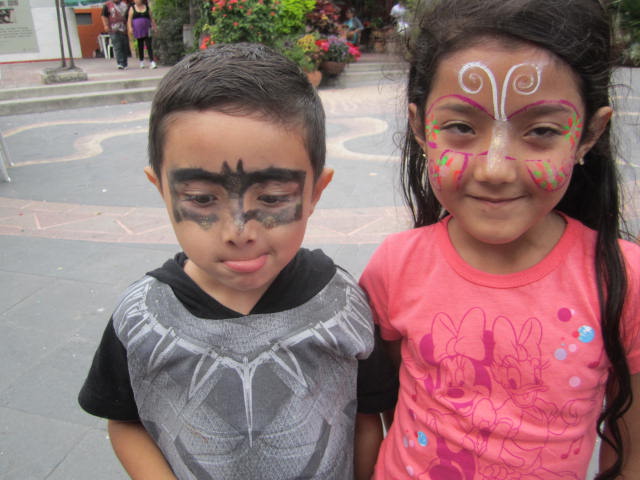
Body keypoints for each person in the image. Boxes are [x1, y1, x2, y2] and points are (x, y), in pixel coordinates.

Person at [357, 0, 640, 479]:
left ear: (589, 135)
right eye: (462, 127)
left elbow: (631, 453)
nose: (494, 169)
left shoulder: (622, 279)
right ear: (420, 128)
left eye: (542, 131)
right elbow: (378, 405)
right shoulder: (395, 266)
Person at [78, 43, 378, 479]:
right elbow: (123, 418)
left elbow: (369, 414)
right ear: (161, 189)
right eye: (201, 199)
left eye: (273, 198)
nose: (239, 232)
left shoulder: (344, 304)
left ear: (316, 191)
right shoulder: (140, 317)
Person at [127, 0, 157, 69]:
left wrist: (154, 27)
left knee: (149, 45)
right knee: (140, 45)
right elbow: (129, 19)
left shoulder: (146, 7)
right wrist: (130, 27)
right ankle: (141, 61)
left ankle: (152, 61)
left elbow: (151, 18)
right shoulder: (132, 8)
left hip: (147, 29)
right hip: (138, 30)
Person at [102, 0, 129, 70]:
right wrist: (106, 25)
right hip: (113, 29)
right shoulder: (107, 5)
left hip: (124, 29)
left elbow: (128, 16)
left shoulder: (124, 5)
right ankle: (120, 63)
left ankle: (125, 63)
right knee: (117, 46)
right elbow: (104, 16)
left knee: (125, 46)